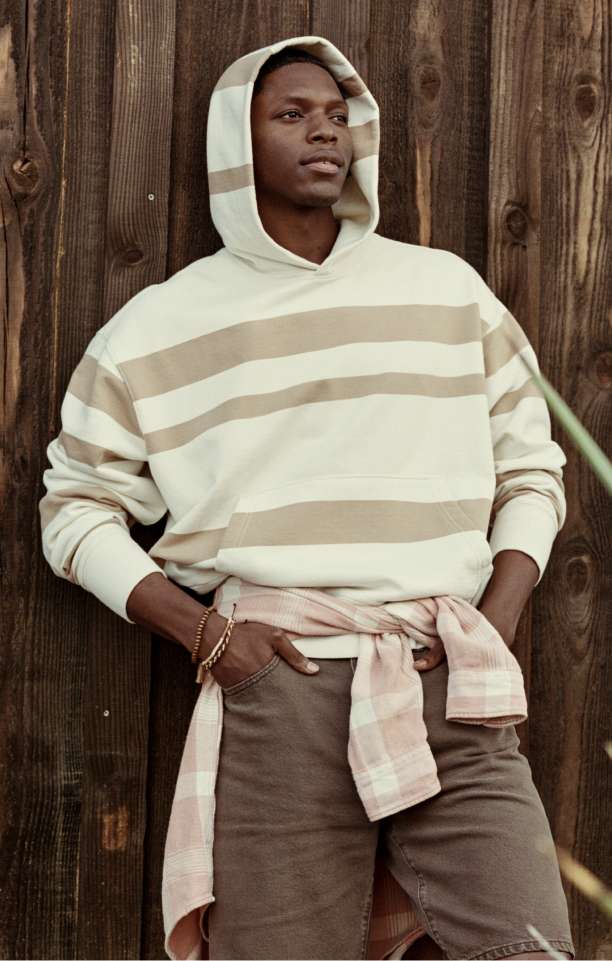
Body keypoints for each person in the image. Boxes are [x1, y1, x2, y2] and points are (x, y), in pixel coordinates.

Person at [39, 35, 575, 961]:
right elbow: (74, 508)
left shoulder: (446, 292)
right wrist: (209, 636)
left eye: (337, 116)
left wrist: (496, 616)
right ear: (235, 144)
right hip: (282, 685)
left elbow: (533, 465)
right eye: (292, 115)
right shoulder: (157, 328)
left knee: (530, 944)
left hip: (450, 678)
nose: (325, 132)